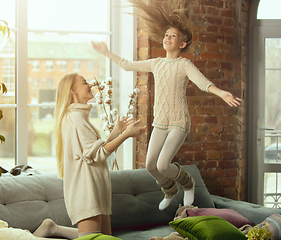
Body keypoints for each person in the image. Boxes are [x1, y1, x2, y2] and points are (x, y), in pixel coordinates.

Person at [92, 0, 242, 211]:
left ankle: (188, 184)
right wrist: (107, 53)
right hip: (160, 121)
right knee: (150, 165)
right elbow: (127, 65)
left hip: (179, 121)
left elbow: (202, 83)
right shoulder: (156, 63)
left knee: (164, 164)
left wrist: (221, 93)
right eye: (165, 35)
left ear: (182, 44)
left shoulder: (184, 64)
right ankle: (169, 190)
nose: (167, 38)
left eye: (173, 36)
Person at [33, 72, 145, 239]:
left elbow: (95, 150)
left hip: (95, 187)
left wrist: (116, 131)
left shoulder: (78, 116)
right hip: (86, 190)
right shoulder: (75, 118)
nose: (91, 85)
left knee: (103, 237)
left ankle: (53, 229)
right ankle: (52, 229)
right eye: (85, 82)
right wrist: (126, 135)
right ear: (74, 91)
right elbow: (98, 154)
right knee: (94, 238)